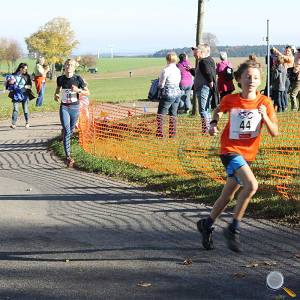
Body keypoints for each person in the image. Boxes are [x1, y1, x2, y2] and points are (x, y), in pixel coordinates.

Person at [196, 59, 278, 252]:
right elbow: (218, 110)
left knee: (228, 195)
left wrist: (264, 116)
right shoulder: (231, 99)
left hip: (248, 155)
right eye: (248, 77)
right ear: (239, 79)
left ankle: (207, 224)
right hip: (230, 151)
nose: (251, 80)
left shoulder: (264, 102)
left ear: (260, 81)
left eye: (256, 77)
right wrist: (213, 124)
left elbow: (275, 132)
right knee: (252, 185)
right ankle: (233, 228)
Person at [54, 58, 90, 167]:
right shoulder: (60, 78)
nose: (69, 66)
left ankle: (65, 140)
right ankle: (68, 157)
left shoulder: (78, 79)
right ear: (64, 66)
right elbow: (58, 89)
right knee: (67, 130)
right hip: (64, 107)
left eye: (71, 65)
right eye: (67, 64)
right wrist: (56, 95)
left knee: (70, 130)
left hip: (75, 108)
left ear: (74, 67)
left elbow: (88, 92)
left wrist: (78, 90)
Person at [192, 44, 219, 133]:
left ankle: (206, 129)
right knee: (206, 110)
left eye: (196, 53)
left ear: (202, 52)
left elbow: (207, 72)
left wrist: (210, 81)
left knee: (203, 110)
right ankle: (211, 128)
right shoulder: (209, 60)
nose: (194, 54)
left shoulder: (203, 61)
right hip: (205, 88)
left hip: (203, 88)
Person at [156, 52, 181, 138]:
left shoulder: (165, 70)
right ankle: (172, 134)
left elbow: (161, 84)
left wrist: (158, 88)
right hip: (177, 93)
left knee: (161, 114)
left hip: (168, 94)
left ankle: (160, 133)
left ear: (167, 59)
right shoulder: (178, 70)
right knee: (173, 114)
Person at [6, 63, 34, 129]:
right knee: (15, 109)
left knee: (26, 109)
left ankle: (27, 122)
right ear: (20, 68)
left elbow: (30, 86)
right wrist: (10, 83)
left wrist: (26, 87)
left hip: (24, 94)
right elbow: (8, 84)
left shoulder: (27, 76)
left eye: (26, 69)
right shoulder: (13, 75)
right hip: (16, 94)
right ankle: (13, 124)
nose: (26, 70)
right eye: (25, 69)